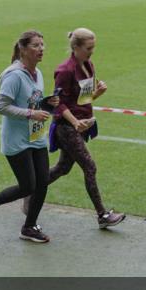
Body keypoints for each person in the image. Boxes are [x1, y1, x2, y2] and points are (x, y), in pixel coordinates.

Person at [0, 30, 58, 244]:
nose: (41, 49)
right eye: (36, 45)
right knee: (27, 186)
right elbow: (1, 106)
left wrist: (47, 104)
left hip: (36, 136)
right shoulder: (13, 76)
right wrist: (32, 113)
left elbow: (32, 102)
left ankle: (29, 226)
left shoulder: (38, 73)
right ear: (23, 49)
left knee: (43, 182)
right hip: (17, 140)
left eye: (42, 45)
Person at [42, 28, 125, 229]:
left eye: (93, 47)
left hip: (80, 125)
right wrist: (75, 122)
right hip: (66, 127)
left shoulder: (88, 65)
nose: (92, 51)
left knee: (63, 168)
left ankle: (31, 191)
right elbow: (58, 104)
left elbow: (83, 100)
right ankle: (102, 215)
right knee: (90, 166)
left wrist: (97, 93)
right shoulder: (65, 70)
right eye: (89, 48)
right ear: (76, 47)